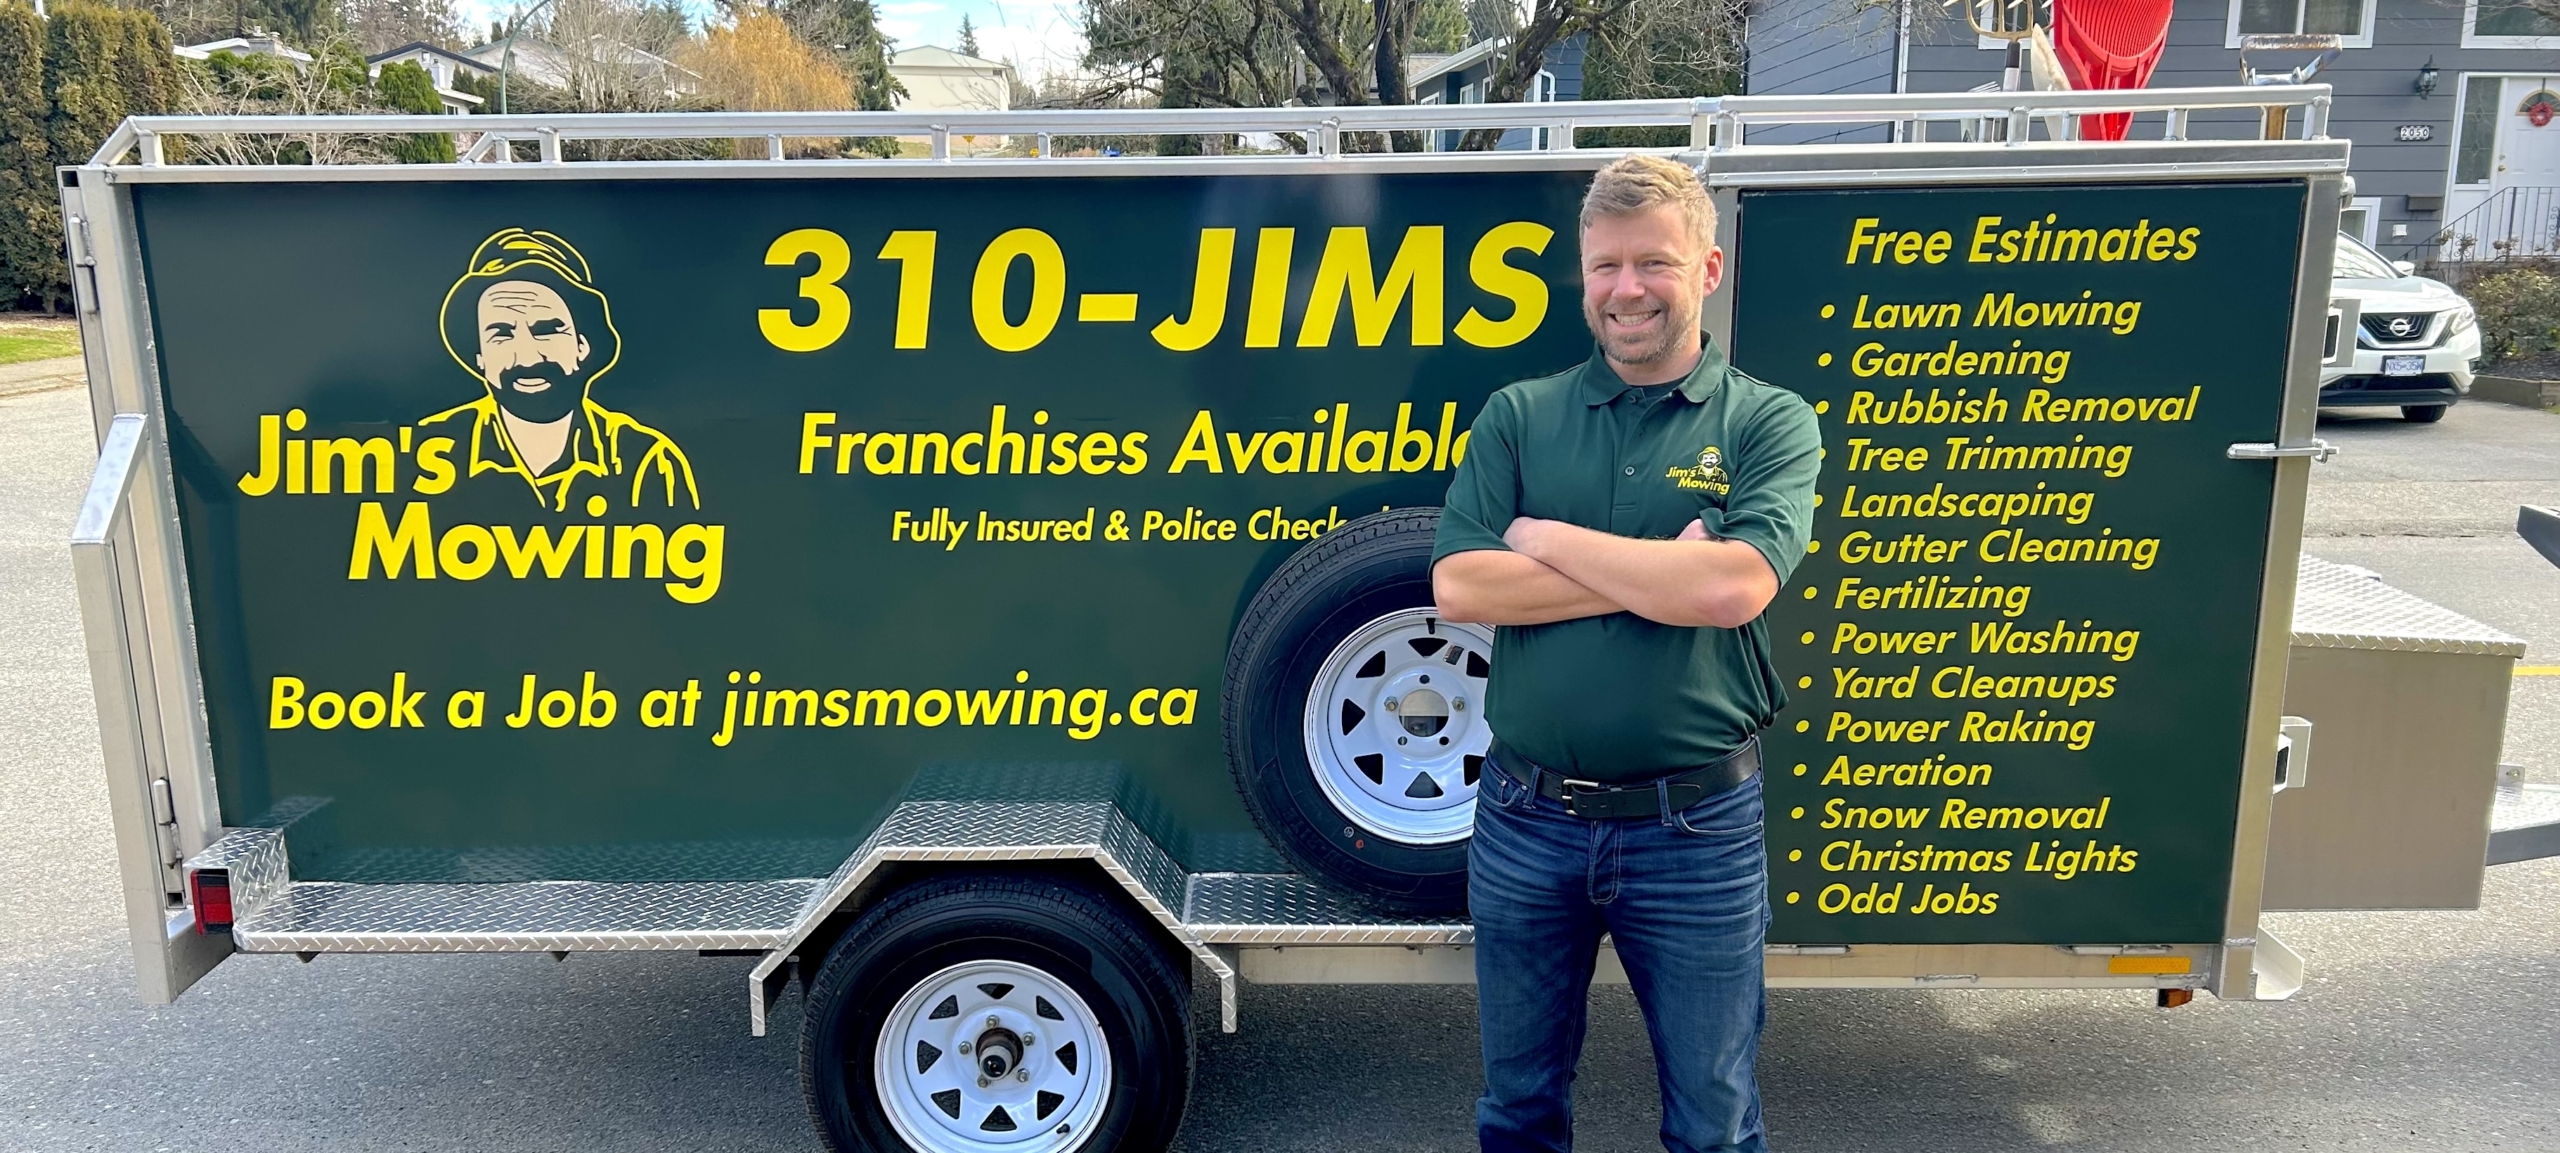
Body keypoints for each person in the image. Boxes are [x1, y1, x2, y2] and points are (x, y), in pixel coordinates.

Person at [1431, 154, 1822, 1153]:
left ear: (1708, 269)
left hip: (1695, 830)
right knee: (1517, 1111)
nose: (1626, 289)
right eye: (1604, 266)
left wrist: (1547, 540)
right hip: (1526, 821)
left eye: (1653, 261)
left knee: (1713, 1122)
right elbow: (1461, 587)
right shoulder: (1521, 415)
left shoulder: (1769, 421)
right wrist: (1663, 572)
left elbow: (1734, 587)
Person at [424, 228, 698, 512]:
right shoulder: (425, 452)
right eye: (502, 335)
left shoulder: (644, 461)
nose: (527, 358)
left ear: (583, 346)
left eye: (546, 331)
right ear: (480, 356)